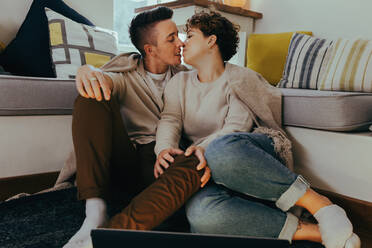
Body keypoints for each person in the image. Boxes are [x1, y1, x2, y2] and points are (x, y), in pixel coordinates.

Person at [153, 12, 361, 248]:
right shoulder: (178, 83)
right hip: (206, 168)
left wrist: (197, 150)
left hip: (243, 157)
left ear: (211, 41)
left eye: (189, 36)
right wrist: (165, 149)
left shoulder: (242, 79)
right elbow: (169, 119)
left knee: (221, 149)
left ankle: (320, 205)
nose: (183, 43)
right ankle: (314, 233)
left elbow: (235, 127)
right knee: (201, 217)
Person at [63, 7, 210, 248]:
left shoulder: (187, 78)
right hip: (127, 162)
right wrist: (88, 70)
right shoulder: (127, 73)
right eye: (171, 38)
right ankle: (95, 211)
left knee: (197, 163)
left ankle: (111, 235)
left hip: (161, 166)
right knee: (91, 95)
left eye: (179, 35)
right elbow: (106, 79)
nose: (181, 43)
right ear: (150, 49)